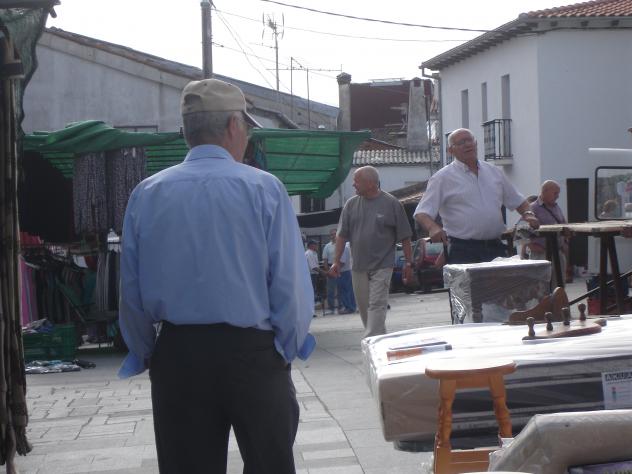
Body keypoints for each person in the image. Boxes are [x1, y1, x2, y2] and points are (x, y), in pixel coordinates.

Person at [118, 78, 315, 474]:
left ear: (185, 132)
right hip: (253, 354)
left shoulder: (147, 193)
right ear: (233, 126)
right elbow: (290, 285)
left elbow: (131, 290)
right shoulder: (264, 189)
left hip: (179, 355)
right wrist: (283, 350)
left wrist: (146, 350)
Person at [414, 128, 539, 264]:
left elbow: (519, 201)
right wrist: (433, 228)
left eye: (470, 140)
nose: (467, 144)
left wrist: (528, 214)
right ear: (450, 150)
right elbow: (421, 213)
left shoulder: (494, 172)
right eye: (461, 142)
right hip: (462, 250)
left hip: (495, 247)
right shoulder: (442, 178)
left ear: (476, 143)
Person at [329, 165, 413, 337]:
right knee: (364, 308)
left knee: (377, 304)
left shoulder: (392, 203)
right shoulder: (351, 205)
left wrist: (408, 263)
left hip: (383, 265)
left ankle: (370, 339)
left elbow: (405, 237)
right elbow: (341, 236)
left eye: (356, 181)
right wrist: (336, 261)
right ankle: (379, 340)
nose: (353, 184)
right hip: (358, 266)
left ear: (370, 183)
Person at [528, 180, 569, 287]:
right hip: (541, 254)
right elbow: (520, 231)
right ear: (545, 191)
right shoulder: (532, 208)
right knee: (542, 287)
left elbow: (564, 225)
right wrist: (531, 246)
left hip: (558, 253)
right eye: (555, 193)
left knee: (559, 287)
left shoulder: (556, 207)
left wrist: (565, 242)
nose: (558, 196)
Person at [321, 228, 339, 314]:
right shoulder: (327, 246)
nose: (333, 236)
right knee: (330, 291)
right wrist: (328, 271)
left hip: (341, 268)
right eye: (331, 234)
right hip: (331, 268)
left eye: (335, 234)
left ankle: (342, 306)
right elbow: (325, 260)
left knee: (342, 289)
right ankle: (331, 308)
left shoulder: (341, 244)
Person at [306, 239, 328, 306]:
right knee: (311, 291)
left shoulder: (313, 253)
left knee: (314, 290)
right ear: (311, 245)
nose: (317, 246)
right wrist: (324, 272)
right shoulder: (309, 253)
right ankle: (311, 306)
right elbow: (313, 267)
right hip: (311, 275)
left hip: (314, 275)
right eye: (316, 244)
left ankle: (313, 305)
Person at [337, 241, 356, 314]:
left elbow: (342, 262)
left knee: (345, 291)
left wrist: (336, 270)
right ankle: (351, 307)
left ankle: (349, 307)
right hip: (347, 270)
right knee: (349, 290)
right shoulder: (346, 247)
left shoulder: (343, 248)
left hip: (343, 271)